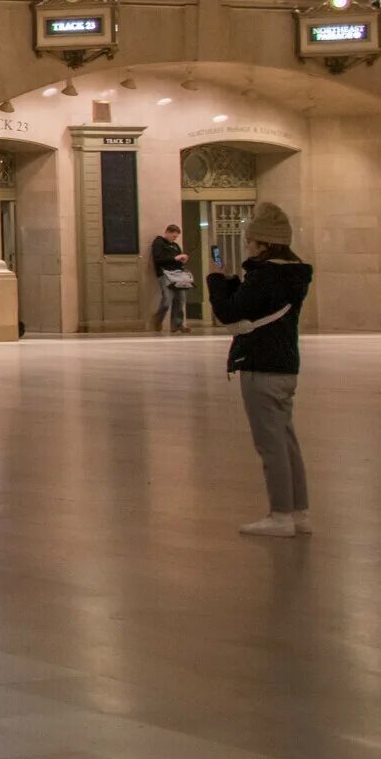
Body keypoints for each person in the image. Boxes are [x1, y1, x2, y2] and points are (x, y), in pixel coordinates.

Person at [205, 202, 312, 538]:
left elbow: (229, 313)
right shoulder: (292, 274)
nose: (247, 246)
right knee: (286, 440)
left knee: (270, 444)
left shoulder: (264, 276)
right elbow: (254, 305)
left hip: (261, 366)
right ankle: (299, 513)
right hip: (285, 366)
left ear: (264, 245)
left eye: (251, 241)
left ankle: (279, 515)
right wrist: (236, 281)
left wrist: (215, 279)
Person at [149, 223, 190, 333]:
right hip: (165, 274)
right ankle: (157, 319)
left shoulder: (176, 246)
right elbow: (158, 259)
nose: (174, 239)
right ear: (167, 232)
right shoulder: (159, 242)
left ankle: (177, 324)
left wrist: (182, 260)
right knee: (167, 300)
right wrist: (175, 258)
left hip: (178, 274)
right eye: (173, 236)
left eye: (176, 237)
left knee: (180, 300)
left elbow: (177, 259)